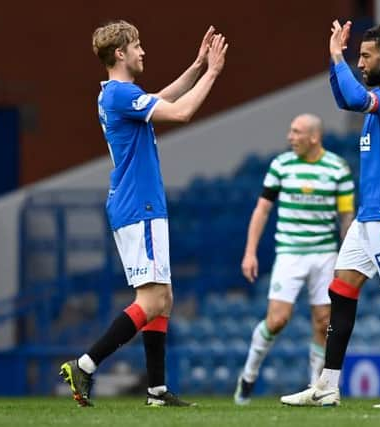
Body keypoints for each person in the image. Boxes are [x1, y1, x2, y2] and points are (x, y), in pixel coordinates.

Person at [59, 20, 228, 407]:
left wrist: (198, 65)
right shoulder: (120, 94)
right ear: (120, 53)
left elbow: (163, 97)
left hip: (138, 203)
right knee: (151, 301)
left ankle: (156, 392)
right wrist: (214, 73)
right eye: (137, 46)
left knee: (162, 298)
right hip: (140, 205)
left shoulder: (116, 94)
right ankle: (85, 365)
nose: (142, 52)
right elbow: (181, 112)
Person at [280, 21, 380, 408]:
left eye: (366, 56)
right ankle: (327, 386)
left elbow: (352, 98)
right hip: (369, 218)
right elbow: (344, 97)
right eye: (357, 57)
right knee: (341, 291)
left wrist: (336, 57)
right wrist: (336, 62)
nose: (360, 63)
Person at [233, 113, 355, 405]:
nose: (290, 137)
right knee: (277, 320)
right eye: (290, 131)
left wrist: (346, 258)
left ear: (314, 137)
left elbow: (346, 217)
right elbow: (262, 210)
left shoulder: (337, 169)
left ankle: (316, 386)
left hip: (325, 254)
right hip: (289, 252)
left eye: (296, 132)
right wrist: (250, 251)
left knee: (323, 321)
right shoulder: (281, 165)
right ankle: (248, 376)